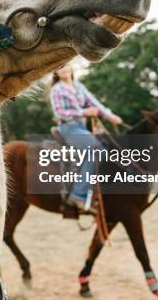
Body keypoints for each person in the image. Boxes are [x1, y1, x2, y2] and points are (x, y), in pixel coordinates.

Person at [49, 64, 122, 213]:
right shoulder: (57, 89)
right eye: (59, 67)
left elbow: (94, 102)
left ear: (71, 68)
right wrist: (84, 112)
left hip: (81, 127)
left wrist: (110, 115)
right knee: (97, 150)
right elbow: (60, 113)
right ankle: (78, 194)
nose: (63, 69)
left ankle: (98, 192)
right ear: (56, 72)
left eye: (66, 66)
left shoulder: (78, 86)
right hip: (68, 127)